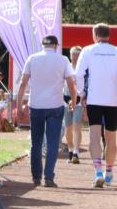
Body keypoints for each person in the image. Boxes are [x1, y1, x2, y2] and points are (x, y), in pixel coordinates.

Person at [75, 23, 117, 188]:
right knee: (111, 138)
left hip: (94, 100)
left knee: (94, 136)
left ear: (95, 35)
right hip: (112, 100)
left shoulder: (87, 50)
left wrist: (81, 93)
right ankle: (109, 172)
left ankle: (98, 172)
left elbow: (79, 74)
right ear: (109, 35)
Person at [15, 35, 77, 187]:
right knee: (52, 143)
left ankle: (36, 176)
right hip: (55, 105)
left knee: (36, 143)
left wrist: (19, 105)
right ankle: (49, 177)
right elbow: (71, 83)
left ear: (42, 45)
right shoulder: (63, 60)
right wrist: (74, 101)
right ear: (56, 46)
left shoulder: (32, 59)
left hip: (36, 105)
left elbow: (23, 84)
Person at [63, 46, 85, 163]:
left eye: (77, 54)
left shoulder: (83, 69)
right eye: (73, 54)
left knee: (77, 126)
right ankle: (71, 149)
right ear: (70, 55)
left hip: (78, 100)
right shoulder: (66, 67)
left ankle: (76, 152)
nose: (75, 56)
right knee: (68, 129)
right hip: (66, 99)